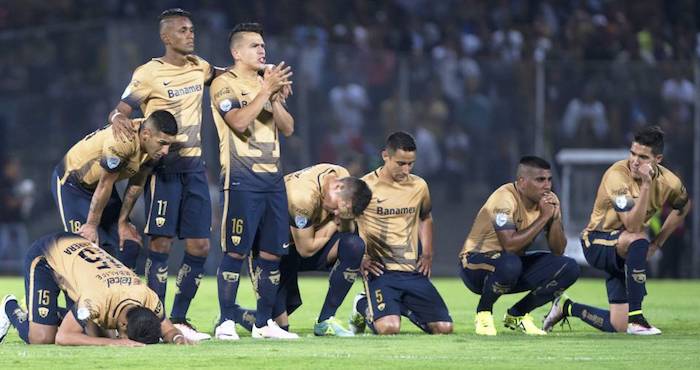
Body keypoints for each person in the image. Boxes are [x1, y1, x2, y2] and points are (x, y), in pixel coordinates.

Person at [109, 8, 223, 340]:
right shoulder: (148, 73)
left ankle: (181, 317)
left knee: (200, 245)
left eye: (192, 29)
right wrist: (118, 117)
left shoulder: (199, 66)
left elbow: (225, 74)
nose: (191, 34)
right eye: (183, 30)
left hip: (196, 168)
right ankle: (157, 320)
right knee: (160, 243)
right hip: (163, 168)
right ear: (166, 37)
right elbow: (124, 106)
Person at [543, 126, 691, 335]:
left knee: (617, 325)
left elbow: (683, 207)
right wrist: (647, 185)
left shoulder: (670, 182)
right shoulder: (617, 176)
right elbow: (631, 225)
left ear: (658, 159)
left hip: (627, 251)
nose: (635, 161)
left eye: (643, 157)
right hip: (596, 242)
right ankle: (637, 318)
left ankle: (565, 307)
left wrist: (657, 243)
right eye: (632, 153)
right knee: (638, 237)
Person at [209, 22, 295, 339]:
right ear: (236, 52)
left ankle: (262, 323)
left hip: (273, 180)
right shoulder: (223, 84)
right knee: (236, 251)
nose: (262, 50)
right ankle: (225, 322)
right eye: (255, 45)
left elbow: (287, 128)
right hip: (241, 179)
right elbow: (239, 122)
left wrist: (273, 96)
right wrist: (265, 91)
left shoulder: (265, 84)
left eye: (263, 45)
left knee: (272, 254)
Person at [458, 156, 579, 336]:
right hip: (475, 265)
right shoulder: (504, 198)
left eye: (549, 179)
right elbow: (510, 246)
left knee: (569, 267)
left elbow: (558, 250)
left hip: (510, 266)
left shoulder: (548, 203)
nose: (547, 186)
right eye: (540, 180)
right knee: (510, 262)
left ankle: (518, 314)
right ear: (522, 182)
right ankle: (483, 313)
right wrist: (544, 217)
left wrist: (554, 218)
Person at [0, 232, 191, 346]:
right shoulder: (95, 300)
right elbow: (64, 337)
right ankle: (10, 307)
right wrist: (115, 343)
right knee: (42, 337)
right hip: (46, 257)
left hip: (78, 254)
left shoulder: (148, 299)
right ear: (123, 325)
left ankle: (43, 314)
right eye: (125, 336)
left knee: (92, 335)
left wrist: (177, 338)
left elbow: (167, 329)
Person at [349, 132, 453, 335]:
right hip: (380, 272)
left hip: (412, 271)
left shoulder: (419, 186)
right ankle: (361, 305)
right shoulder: (365, 186)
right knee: (388, 328)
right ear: (385, 156)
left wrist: (428, 254)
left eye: (410, 164)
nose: (406, 170)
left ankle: (396, 306)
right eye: (400, 163)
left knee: (444, 328)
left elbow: (425, 217)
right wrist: (359, 256)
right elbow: (347, 224)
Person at [51, 111, 177, 267]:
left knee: (129, 244)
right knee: (85, 246)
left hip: (101, 188)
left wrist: (123, 222)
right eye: (163, 143)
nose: (166, 150)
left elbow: (135, 185)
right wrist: (91, 225)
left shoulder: (152, 143)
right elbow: (105, 183)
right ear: (146, 135)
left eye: (169, 144)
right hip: (72, 185)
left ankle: (123, 291)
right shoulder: (123, 141)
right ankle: (64, 285)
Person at [264, 164, 372, 337]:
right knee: (277, 327)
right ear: (337, 186)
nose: (336, 213)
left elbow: (348, 228)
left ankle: (325, 320)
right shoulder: (302, 197)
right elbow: (306, 249)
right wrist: (332, 223)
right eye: (337, 208)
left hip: (301, 245)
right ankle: (238, 315)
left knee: (354, 246)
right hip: (273, 252)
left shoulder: (342, 176)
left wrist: (343, 218)